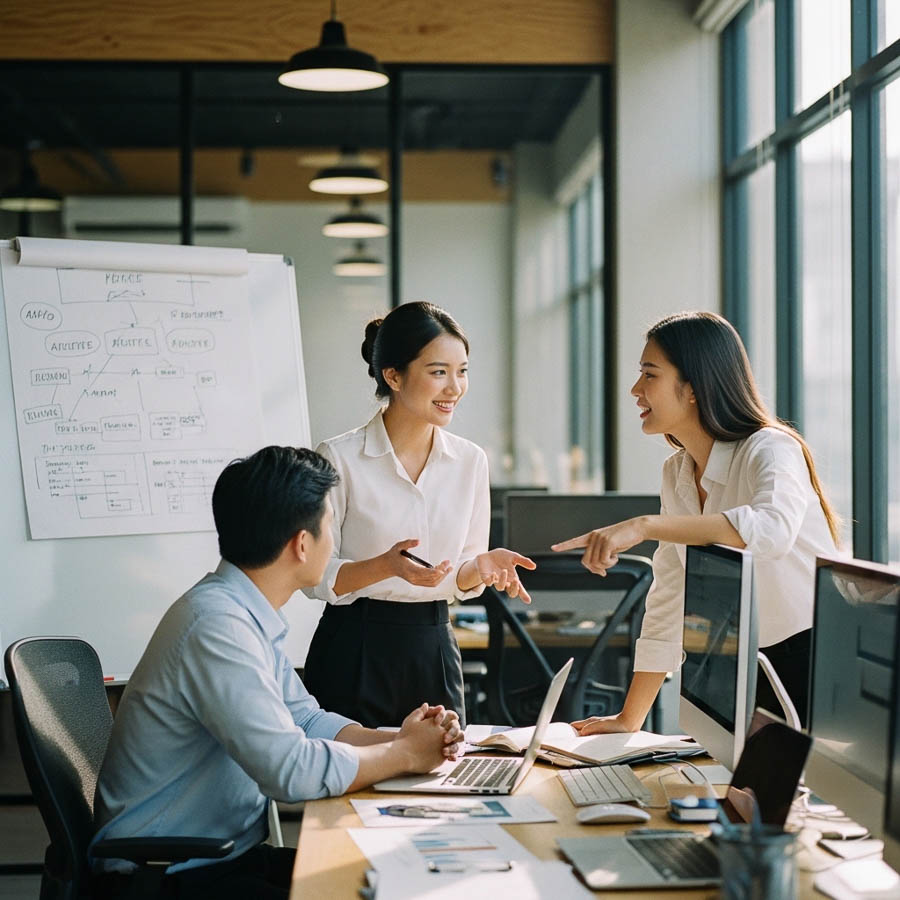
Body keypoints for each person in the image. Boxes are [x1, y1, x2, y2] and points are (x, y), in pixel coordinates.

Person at [90, 446, 463, 900]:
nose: (334, 541)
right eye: (330, 526)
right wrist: (405, 754)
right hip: (167, 877)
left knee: (390, 879)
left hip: (217, 860)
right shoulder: (217, 627)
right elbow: (290, 771)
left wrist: (397, 738)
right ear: (301, 544)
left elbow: (305, 720)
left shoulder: (239, 612)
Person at [552, 311, 839, 732]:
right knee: (736, 792)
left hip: (817, 659)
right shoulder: (678, 472)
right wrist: (630, 718)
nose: (635, 390)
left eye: (649, 375)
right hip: (748, 659)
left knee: (783, 795)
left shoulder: (771, 449)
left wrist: (647, 526)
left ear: (693, 388)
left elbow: (770, 532)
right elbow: (670, 592)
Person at [304, 301, 535, 728]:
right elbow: (315, 577)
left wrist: (481, 566)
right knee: (345, 787)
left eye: (462, 371)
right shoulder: (339, 457)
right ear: (393, 376)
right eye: (438, 372)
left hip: (433, 647)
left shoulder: (470, 461)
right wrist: (383, 568)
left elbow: (458, 577)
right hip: (354, 647)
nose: (455, 387)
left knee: (443, 786)